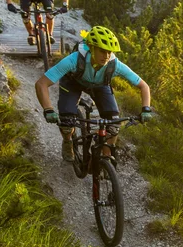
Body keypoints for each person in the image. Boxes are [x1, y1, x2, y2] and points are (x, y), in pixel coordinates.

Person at [35, 26, 153, 162]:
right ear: (91, 47)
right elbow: (41, 84)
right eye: (102, 51)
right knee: (67, 122)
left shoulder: (114, 64)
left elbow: (144, 86)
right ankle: (68, 141)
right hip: (73, 83)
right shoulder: (74, 60)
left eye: (109, 52)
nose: (107, 56)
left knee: (114, 124)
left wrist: (146, 109)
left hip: (100, 85)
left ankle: (106, 158)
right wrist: (48, 110)